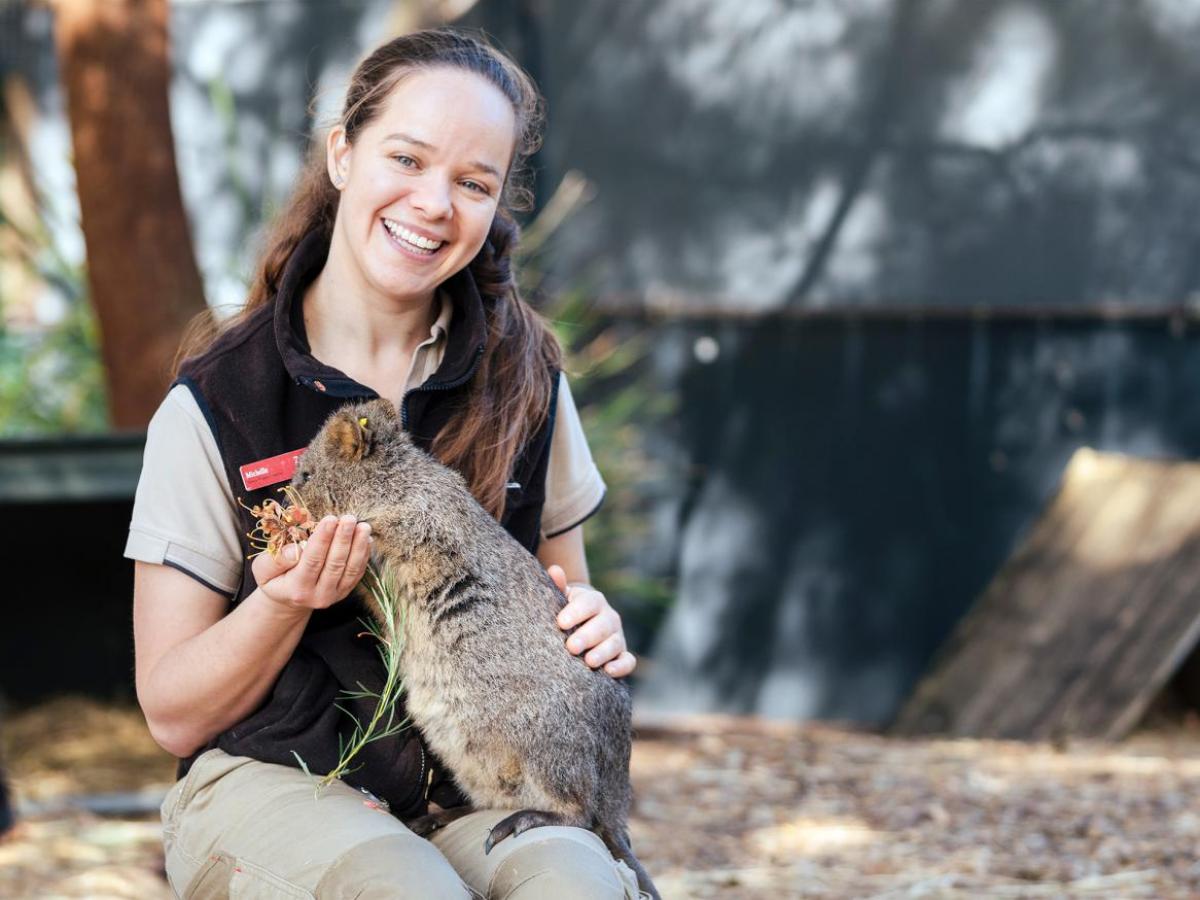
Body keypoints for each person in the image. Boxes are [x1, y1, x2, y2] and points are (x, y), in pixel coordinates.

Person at [126, 28, 645, 899]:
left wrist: (591, 630)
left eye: (472, 183)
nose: (435, 204)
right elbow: (171, 709)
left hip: (482, 789)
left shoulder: (528, 379)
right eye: (406, 158)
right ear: (342, 154)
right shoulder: (219, 400)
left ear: (493, 208)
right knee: (402, 889)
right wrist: (284, 601)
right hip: (279, 778)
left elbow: (564, 600)